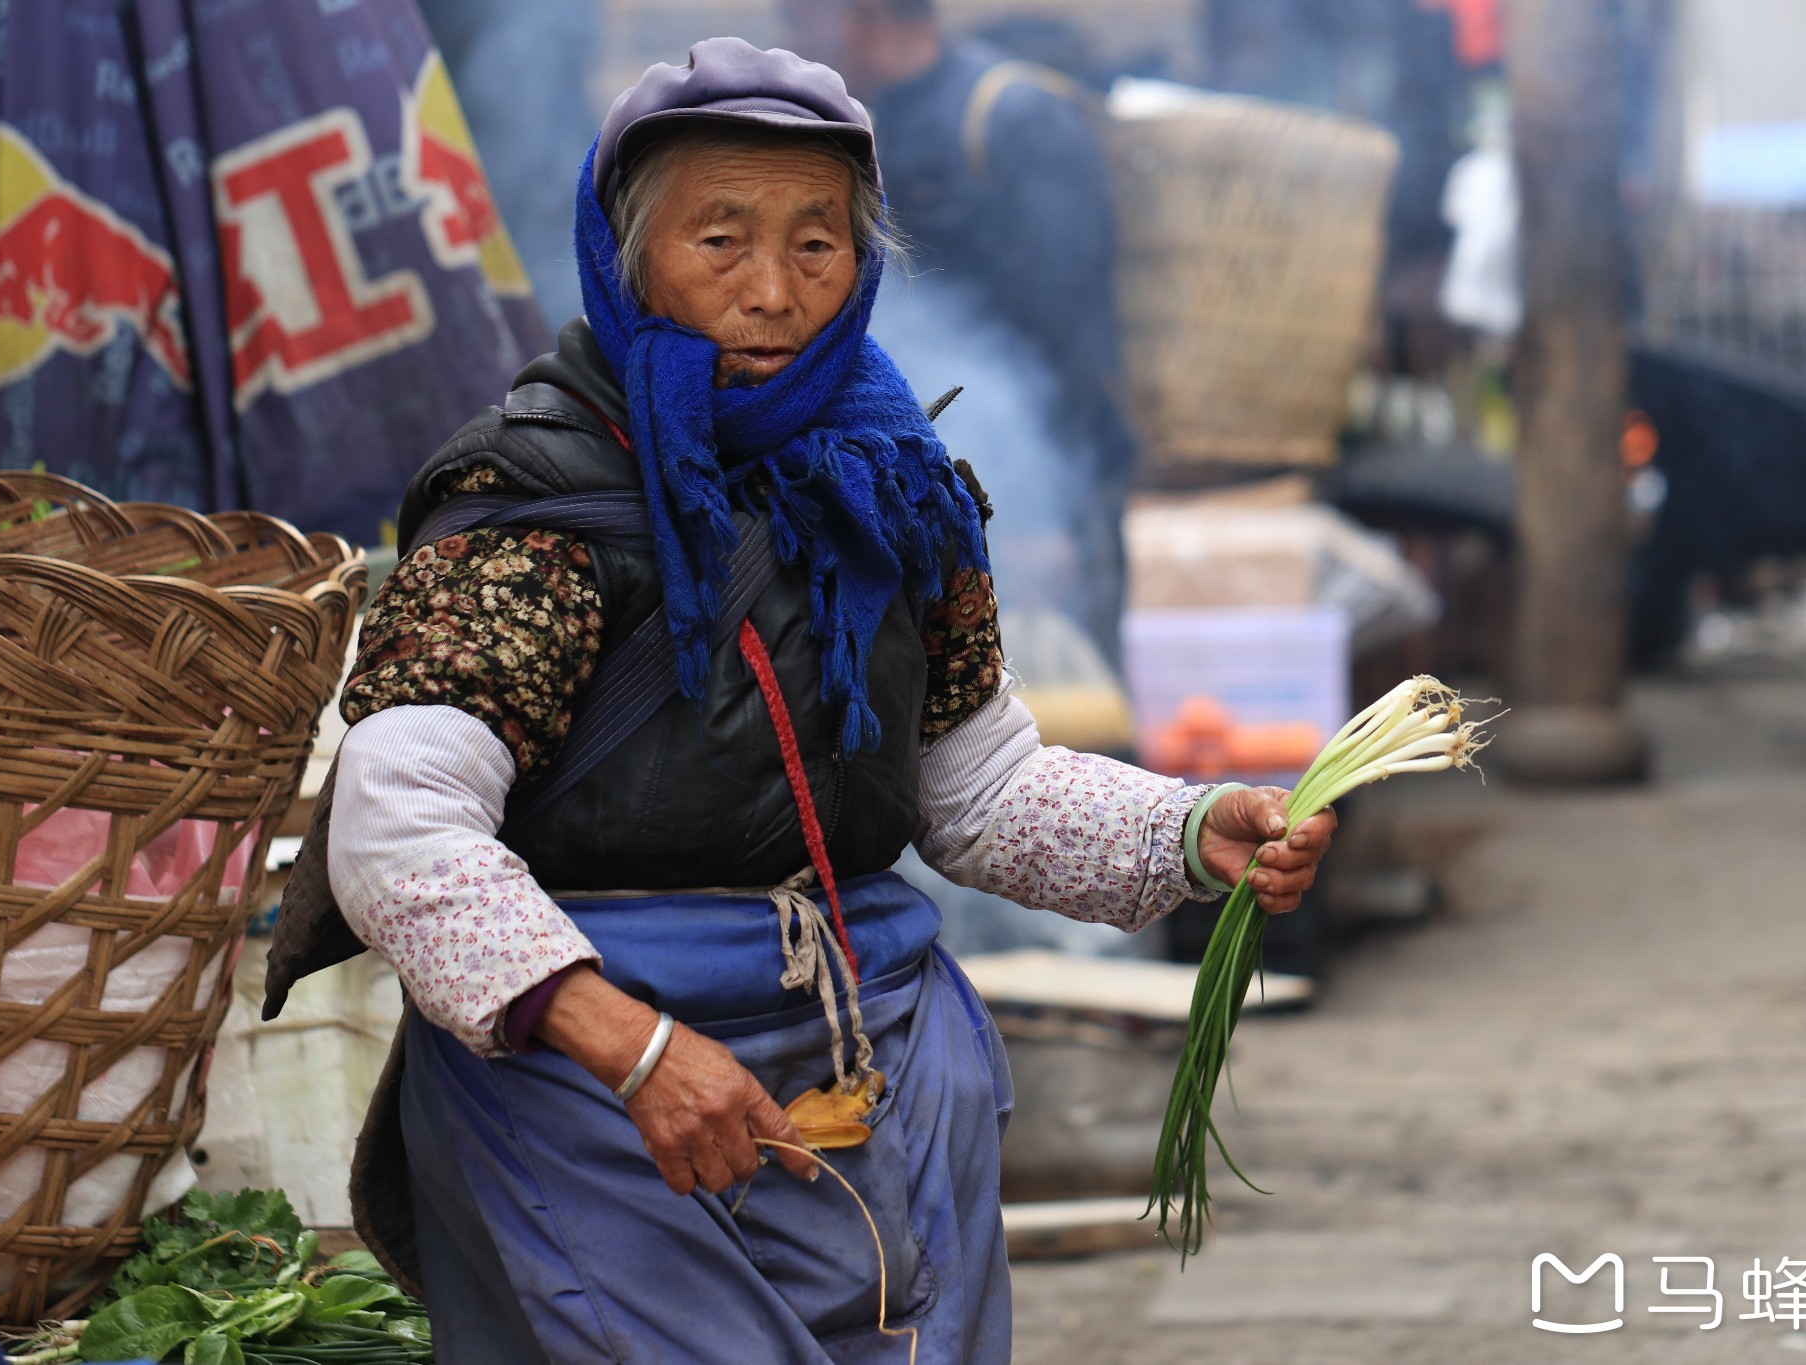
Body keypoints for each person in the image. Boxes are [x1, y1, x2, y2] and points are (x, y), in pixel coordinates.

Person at [290, 38, 1334, 1362]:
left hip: (878, 1071)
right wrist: (634, 1049)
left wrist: (1188, 837)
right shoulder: (533, 510)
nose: (773, 293)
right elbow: (397, 832)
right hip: (595, 1095)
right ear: (626, 258)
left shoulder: (893, 486)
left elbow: (979, 791)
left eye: (818, 245)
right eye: (719, 241)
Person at [779, 0, 1135, 669]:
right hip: (943, 490)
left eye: (801, 21)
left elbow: (1070, 338)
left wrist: (1040, 518)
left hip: (1048, 501)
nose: (792, 43)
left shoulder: (1016, 121)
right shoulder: (872, 126)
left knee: (1070, 715)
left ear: (865, 17)